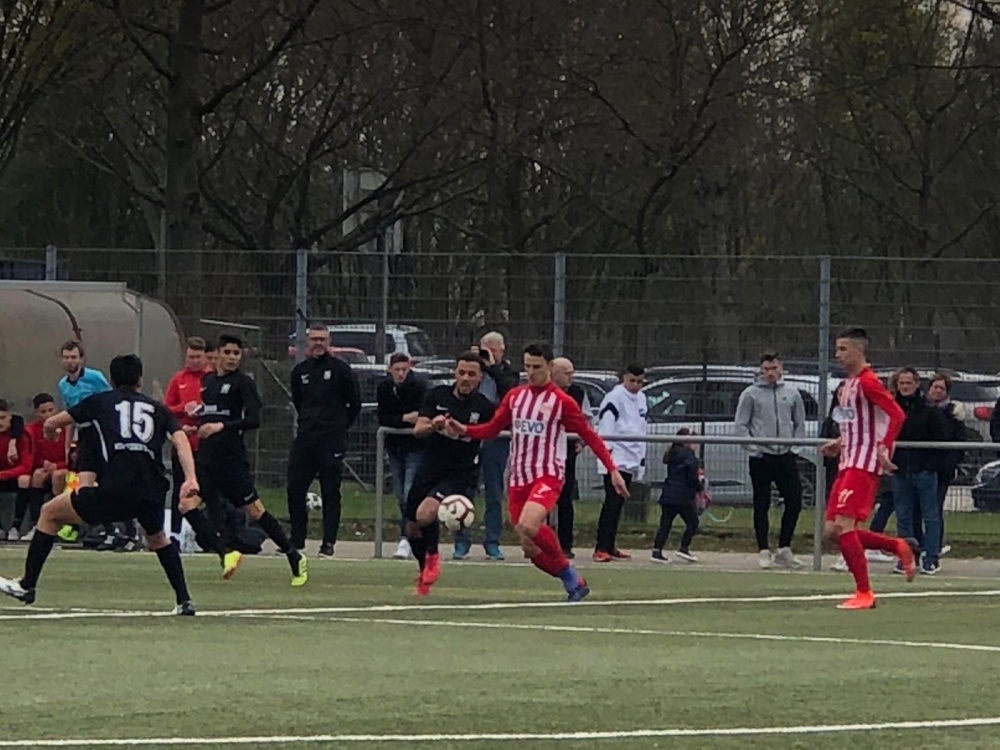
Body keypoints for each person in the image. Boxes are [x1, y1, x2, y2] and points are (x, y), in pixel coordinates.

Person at [0, 355, 198, 614]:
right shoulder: (158, 409)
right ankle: (184, 600)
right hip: (151, 491)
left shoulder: (100, 401)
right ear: (139, 380)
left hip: (115, 488)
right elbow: (181, 441)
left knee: (49, 513)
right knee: (158, 538)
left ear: (112, 380)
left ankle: (27, 585)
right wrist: (191, 478)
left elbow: (52, 422)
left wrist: (49, 432)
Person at [446, 342, 629, 602]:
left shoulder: (561, 401)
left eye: (537, 367)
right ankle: (574, 583)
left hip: (547, 474)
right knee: (529, 547)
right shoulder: (515, 397)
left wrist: (612, 469)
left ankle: (568, 573)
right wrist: (464, 429)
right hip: (518, 477)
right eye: (528, 367)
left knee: (529, 524)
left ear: (550, 367)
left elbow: (589, 434)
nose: (531, 372)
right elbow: (492, 428)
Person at [178, 334, 307, 587]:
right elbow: (210, 414)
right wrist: (196, 426)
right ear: (217, 354)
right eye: (227, 352)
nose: (232, 358)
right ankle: (225, 552)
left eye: (236, 353)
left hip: (232, 461)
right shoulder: (208, 381)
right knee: (187, 504)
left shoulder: (243, 383)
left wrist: (221, 426)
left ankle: (294, 555)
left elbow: (254, 420)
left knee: (255, 511)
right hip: (206, 458)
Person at [820, 328, 916, 610]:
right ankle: (897, 546)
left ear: (859, 350)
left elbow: (897, 414)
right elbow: (856, 424)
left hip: (863, 464)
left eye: (843, 349)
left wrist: (884, 447)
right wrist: (839, 442)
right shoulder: (847, 385)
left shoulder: (869, 382)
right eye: (837, 349)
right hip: (847, 461)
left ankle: (864, 592)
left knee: (845, 525)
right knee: (832, 530)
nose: (837, 355)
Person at [405, 353, 494, 595]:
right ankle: (424, 571)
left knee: (425, 514)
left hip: (460, 473)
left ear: (480, 377)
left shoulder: (483, 406)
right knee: (411, 527)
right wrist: (433, 425)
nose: (465, 378)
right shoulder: (438, 395)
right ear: (455, 372)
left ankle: (433, 556)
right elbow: (418, 430)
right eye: (461, 372)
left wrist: (466, 430)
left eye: (471, 374)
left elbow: (493, 430)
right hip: (431, 467)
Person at [287, 323, 361, 558]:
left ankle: (328, 543)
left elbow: (354, 404)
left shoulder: (341, 370)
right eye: (314, 339)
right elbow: (299, 402)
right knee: (295, 488)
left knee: (330, 490)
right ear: (308, 342)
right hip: (306, 439)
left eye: (322, 339)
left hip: (331, 440)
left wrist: (338, 427)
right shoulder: (300, 371)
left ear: (329, 342)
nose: (318, 343)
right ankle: (297, 540)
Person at [734, 351, 807, 570]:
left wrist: (794, 448)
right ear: (760, 370)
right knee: (761, 503)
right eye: (766, 369)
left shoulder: (792, 393)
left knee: (794, 501)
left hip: (785, 456)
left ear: (781, 368)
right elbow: (741, 425)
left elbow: (799, 423)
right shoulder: (750, 394)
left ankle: (784, 548)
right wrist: (754, 449)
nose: (770, 373)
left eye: (774, 368)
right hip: (761, 458)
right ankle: (763, 549)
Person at [458, 331, 519, 561]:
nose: (488, 354)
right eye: (485, 349)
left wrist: (492, 367)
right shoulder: (472, 370)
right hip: (471, 434)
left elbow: (509, 393)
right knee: (464, 489)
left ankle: (492, 542)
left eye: (493, 350)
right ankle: (461, 541)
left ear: (502, 350)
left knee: (493, 492)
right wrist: (474, 362)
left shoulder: (508, 373)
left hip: (497, 437)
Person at [891, 367, 946, 575]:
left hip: (924, 470)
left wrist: (930, 465)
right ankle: (906, 557)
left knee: (930, 516)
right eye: (901, 383)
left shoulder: (929, 409)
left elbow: (940, 439)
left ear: (916, 384)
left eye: (908, 383)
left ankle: (931, 557)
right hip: (900, 471)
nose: (905, 387)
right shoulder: (892, 407)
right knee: (903, 516)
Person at [594, 364, 648, 562]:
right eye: (632, 380)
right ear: (624, 378)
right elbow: (606, 428)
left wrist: (640, 458)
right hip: (616, 458)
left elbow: (641, 427)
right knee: (611, 502)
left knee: (618, 504)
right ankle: (601, 547)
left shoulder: (641, 398)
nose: (635, 385)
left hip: (631, 457)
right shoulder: (613, 398)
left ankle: (610, 545)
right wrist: (608, 460)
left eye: (639, 381)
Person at [377, 352, 426, 560]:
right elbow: (384, 417)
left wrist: (409, 419)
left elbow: (421, 415)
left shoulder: (419, 387)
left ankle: (407, 538)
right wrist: (404, 418)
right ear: (390, 370)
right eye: (397, 370)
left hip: (414, 447)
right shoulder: (384, 388)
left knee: (409, 493)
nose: (401, 374)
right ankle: (412, 532)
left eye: (404, 369)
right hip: (394, 448)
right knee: (399, 494)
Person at [163, 337, 211, 540]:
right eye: (191, 357)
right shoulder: (178, 379)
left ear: (205, 357)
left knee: (207, 488)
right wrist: (183, 409)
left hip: (206, 445)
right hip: (183, 443)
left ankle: (208, 533)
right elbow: (166, 409)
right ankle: (175, 533)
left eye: (198, 357)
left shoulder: (211, 378)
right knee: (179, 487)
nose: (194, 361)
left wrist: (201, 413)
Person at [14, 394, 69, 543]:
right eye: (43, 412)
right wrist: (44, 463)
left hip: (64, 468)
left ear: (56, 409)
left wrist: (57, 465)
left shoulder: (66, 427)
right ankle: (37, 524)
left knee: (58, 476)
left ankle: (58, 521)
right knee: (38, 475)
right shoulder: (32, 430)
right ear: (36, 413)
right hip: (44, 467)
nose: (48, 415)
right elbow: (33, 454)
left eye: (51, 410)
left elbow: (72, 456)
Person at [926, 372, 964, 558]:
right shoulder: (921, 408)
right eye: (935, 387)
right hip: (922, 466)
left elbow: (959, 441)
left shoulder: (953, 413)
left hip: (942, 469)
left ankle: (935, 546)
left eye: (942, 388)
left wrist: (950, 464)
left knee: (935, 508)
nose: (938, 391)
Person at [551, 357, 585, 558]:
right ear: (554, 373)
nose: (571, 377)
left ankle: (565, 545)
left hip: (568, 450)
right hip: (545, 450)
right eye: (567, 373)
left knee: (565, 498)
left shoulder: (577, 393)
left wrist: (580, 440)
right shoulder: (543, 392)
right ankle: (540, 542)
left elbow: (582, 419)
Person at [652, 428, 701, 564]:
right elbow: (691, 478)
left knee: (665, 524)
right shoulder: (689, 456)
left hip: (669, 493)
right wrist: (699, 487)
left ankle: (657, 550)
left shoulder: (673, 453)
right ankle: (684, 547)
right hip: (682, 496)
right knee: (693, 522)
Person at [0, 400, 33, 541]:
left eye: (2, 418)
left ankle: (16, 527)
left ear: (9, 416)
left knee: (24, 479)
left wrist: (3, 474)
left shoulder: (22, 435)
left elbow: (26, 466)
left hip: (14, 476)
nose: (0, 422)